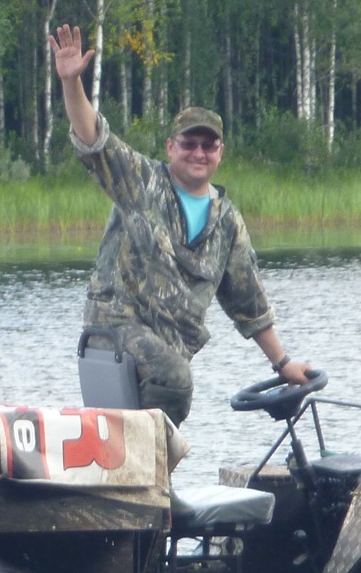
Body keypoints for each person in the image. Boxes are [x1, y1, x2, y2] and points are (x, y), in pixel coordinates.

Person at [51, 23, 313, 426]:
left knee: (173, 379)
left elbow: (250, 305)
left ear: (220, 152)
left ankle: (155, 477)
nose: (198, 152)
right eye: (189, 144)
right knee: (175, 378)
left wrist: (284, 365)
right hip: (116, 333)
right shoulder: (141, 182)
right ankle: (149, 474)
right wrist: (72, 85)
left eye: (208, 145)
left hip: (169, 354)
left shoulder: (227, 223)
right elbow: (93, 139)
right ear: (171, 146)